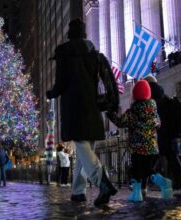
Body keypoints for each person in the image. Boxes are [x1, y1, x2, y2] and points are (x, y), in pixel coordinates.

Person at [46, 18, 119, 206]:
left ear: (70, 34)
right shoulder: (94, 54)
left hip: (73, 109)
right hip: (92, 108)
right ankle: (78, 191)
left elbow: (60, 84)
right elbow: (109, 80)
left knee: (83, 149)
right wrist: (110, 103)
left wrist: (51, 93)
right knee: (85, 151)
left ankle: (103, 182)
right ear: (84, 34)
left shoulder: (65, 54)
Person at [107, 80, 172, 202]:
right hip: (153, 148)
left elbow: (121, 122)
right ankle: (139, 194)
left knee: (137, 170)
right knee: (147, 170)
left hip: (138, 148)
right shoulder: (153, 110)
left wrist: (110, 114)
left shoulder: (134, 111)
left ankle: (161, 184)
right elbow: (158, 124)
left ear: (135, 94)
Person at [144, 74, 181, 198]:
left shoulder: (150, 98)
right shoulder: (164, 96)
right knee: (173, 160)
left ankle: (142, 187)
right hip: (170, 135)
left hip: (158, 136)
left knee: (147, 163)